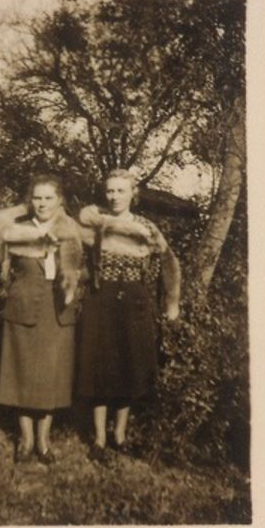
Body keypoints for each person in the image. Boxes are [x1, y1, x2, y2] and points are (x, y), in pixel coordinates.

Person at [77, 169, 181, 462]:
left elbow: (169, 263)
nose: (114, 197)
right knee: (99, 367)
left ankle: (120, 435)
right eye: (110, 191)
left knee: (128, 367)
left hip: (134, 303)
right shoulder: (94, 223)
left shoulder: (147, 228)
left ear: (133, 194)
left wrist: (171, 302)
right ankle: (99, 438)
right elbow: (73, 253)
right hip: (100, 300)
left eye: (121, 191)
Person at [0, 174, 83, 464]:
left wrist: (72, 285)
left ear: (60, 201)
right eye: (37, 198)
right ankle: (26, 439)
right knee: (22, 374)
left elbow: (84, 271)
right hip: (23, 308)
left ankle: (43, 441)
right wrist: (15, 289)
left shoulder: (72, 232)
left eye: (48, 198)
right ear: (29, 201)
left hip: (57, 312)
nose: (42, 203)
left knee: (51, 377)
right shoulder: (16, 231)